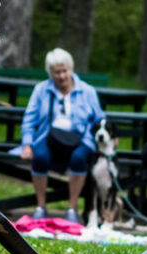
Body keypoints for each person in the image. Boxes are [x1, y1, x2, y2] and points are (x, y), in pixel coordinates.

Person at [18, 48, 107, 224]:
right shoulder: (41, 90)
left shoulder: (87, 91)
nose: (61, 76)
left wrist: (105, 142)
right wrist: (27, 144)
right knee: (40, 157)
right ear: (50, 73)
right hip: (48, 136)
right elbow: (29, 119)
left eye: (64, 71)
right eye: (57, 72)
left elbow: (99, 119)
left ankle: (72, 209)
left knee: (79, 158)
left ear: (71, 69)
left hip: (80, 139)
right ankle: (40, 207)